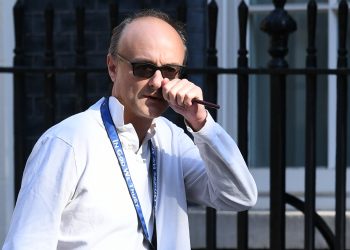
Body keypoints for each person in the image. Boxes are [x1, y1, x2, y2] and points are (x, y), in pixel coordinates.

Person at [3, 9, 257, 250]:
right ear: (113, 68)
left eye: (169, 70)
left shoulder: (171, 139)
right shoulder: (68, 142)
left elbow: (238, 196)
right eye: (144, 68)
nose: (158, 82)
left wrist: (202, 124)